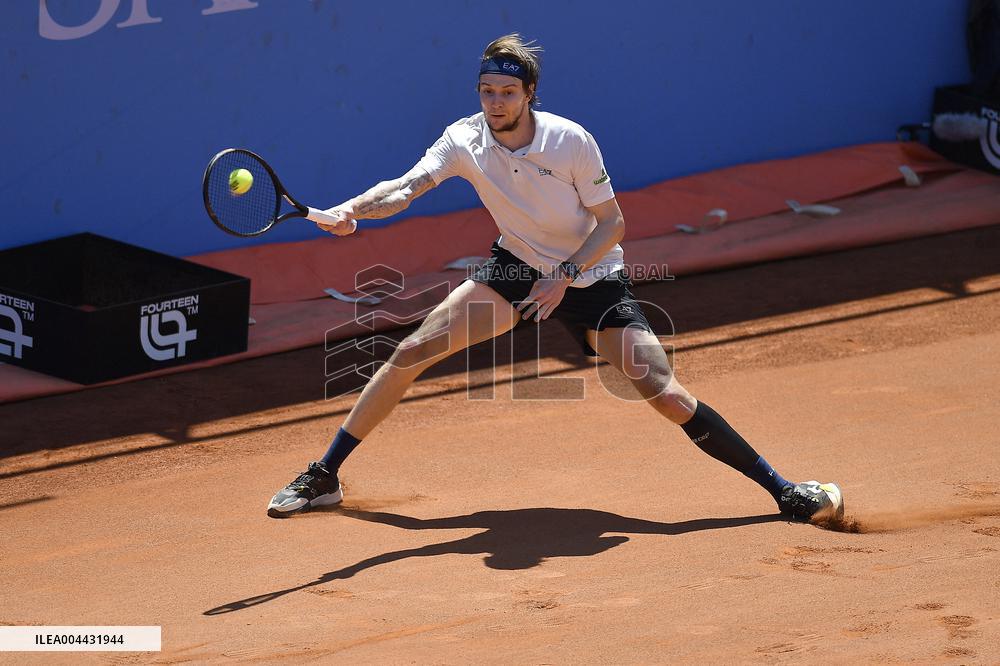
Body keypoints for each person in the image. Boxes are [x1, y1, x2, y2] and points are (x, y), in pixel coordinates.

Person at [267, 34, 844, 525]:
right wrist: (348, 210)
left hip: (592, 278)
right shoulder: (463, 139)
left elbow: (613, 223)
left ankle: (785, 492)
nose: (495, 103)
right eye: (487, 91)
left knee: (665, 394)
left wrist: (565, 277)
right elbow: (404, 188)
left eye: (507, 93)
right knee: (412, 351)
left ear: (529, 94)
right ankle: (326, 476)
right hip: (515, 268)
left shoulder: (570, 140)